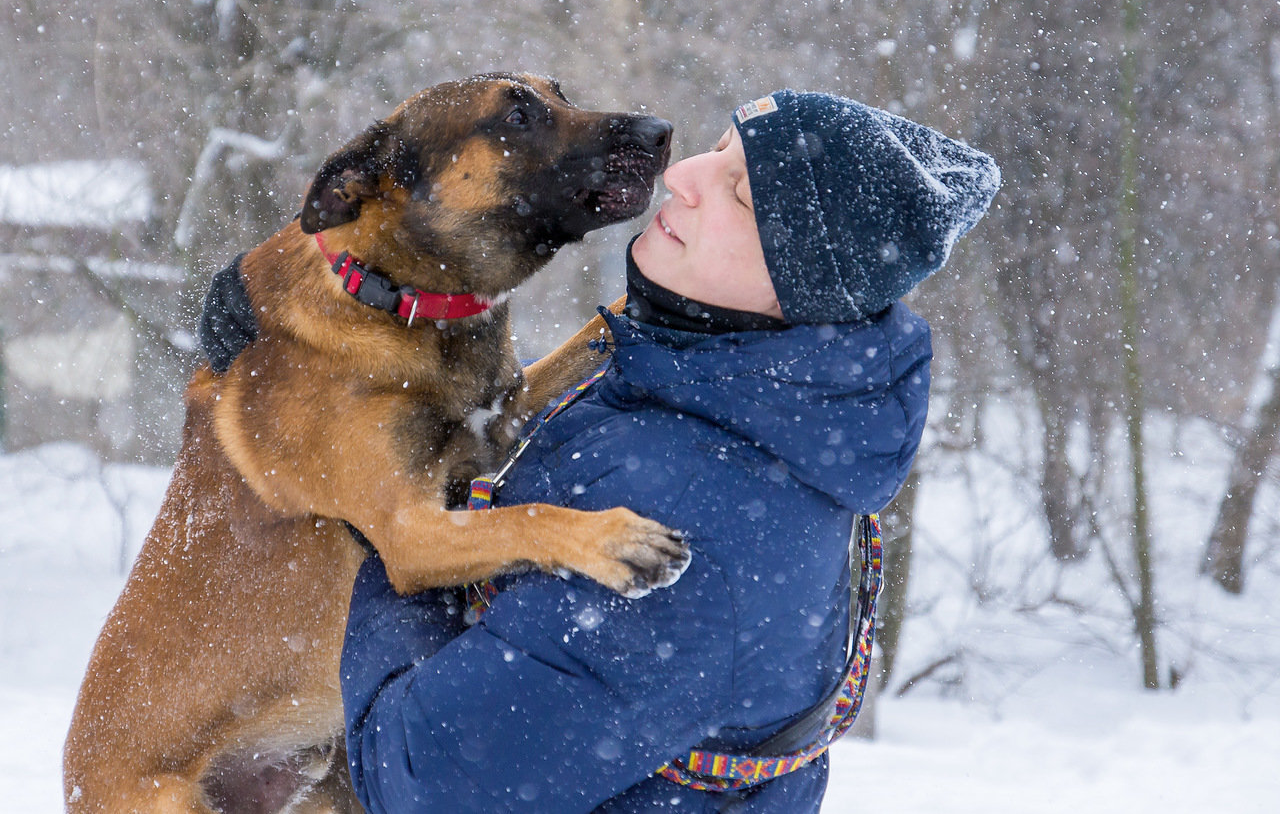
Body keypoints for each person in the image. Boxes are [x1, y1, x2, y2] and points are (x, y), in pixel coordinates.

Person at [204, 88, 999, 812]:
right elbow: (512, 436)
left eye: (740, 192)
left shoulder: (698, 544)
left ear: (796, 287)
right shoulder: (714, 385)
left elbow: (416, 777)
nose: (682, 173)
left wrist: (376, 510)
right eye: (715, 150)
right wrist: (279, 310)